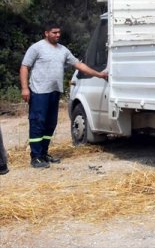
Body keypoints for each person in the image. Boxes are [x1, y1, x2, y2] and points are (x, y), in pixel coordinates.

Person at [20, 23, 108, 169]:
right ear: (46, 33)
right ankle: (35, 157)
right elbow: (24, 67)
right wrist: (24, 88)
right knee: (38, 122)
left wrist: (99, 74)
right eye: (54, 32)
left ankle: (44, 153)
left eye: (59, 32)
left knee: (50, 123)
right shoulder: (37, 48)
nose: (57, 35)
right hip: (39, 92)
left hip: (55, 91)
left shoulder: (63, 50)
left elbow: (79, 65)